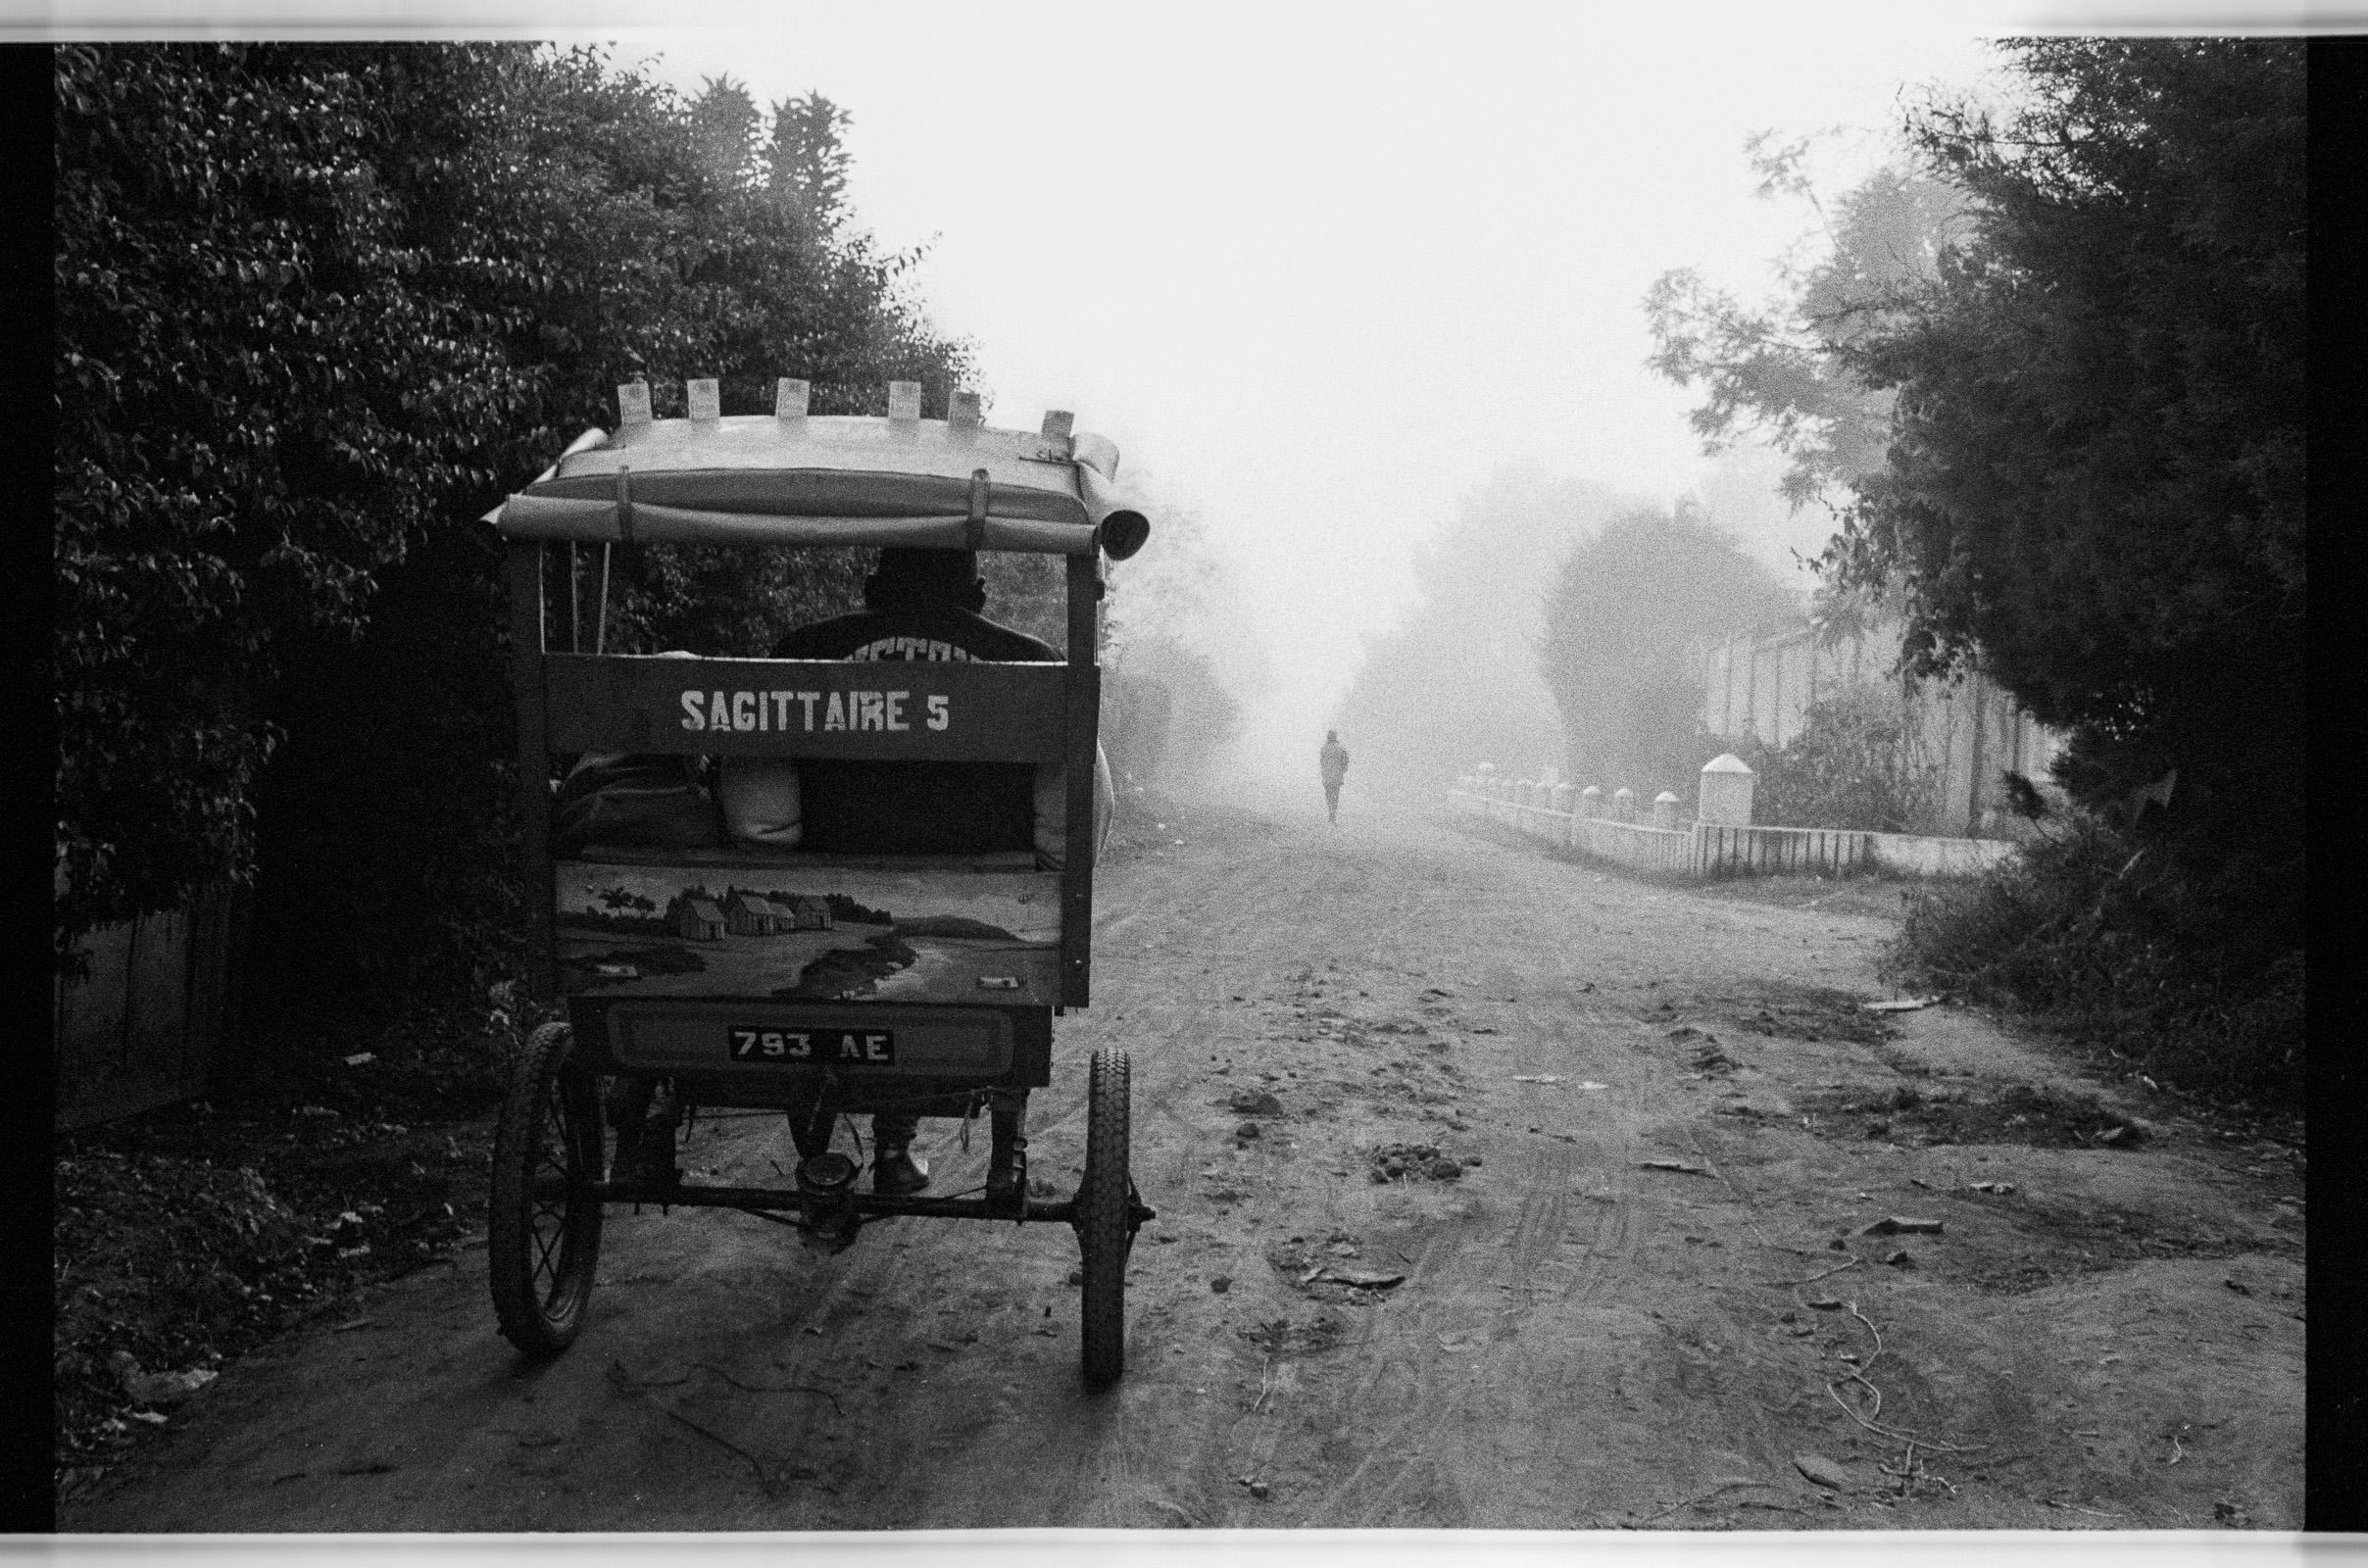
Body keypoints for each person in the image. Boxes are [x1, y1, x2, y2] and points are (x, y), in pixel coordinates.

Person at [770, 546, 1059, 1196]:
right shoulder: (1032, 662)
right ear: (979, 594)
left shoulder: (800, 648)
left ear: (872, 588)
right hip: (981, 893)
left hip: (824, 890)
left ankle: (820, 1150)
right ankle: (916, 1151)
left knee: (820, 970)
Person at [1319, 730, 1350, 824]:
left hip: (1327, 776)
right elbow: (1345, 761)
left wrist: (1324, 771)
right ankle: (1333, 813)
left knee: (1328, 794)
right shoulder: (1340, 748)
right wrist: (1343, 770)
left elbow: (1322, 762)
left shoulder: (1324, 748)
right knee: (1335, 794)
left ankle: (1330, 812)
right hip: (1337, 776)